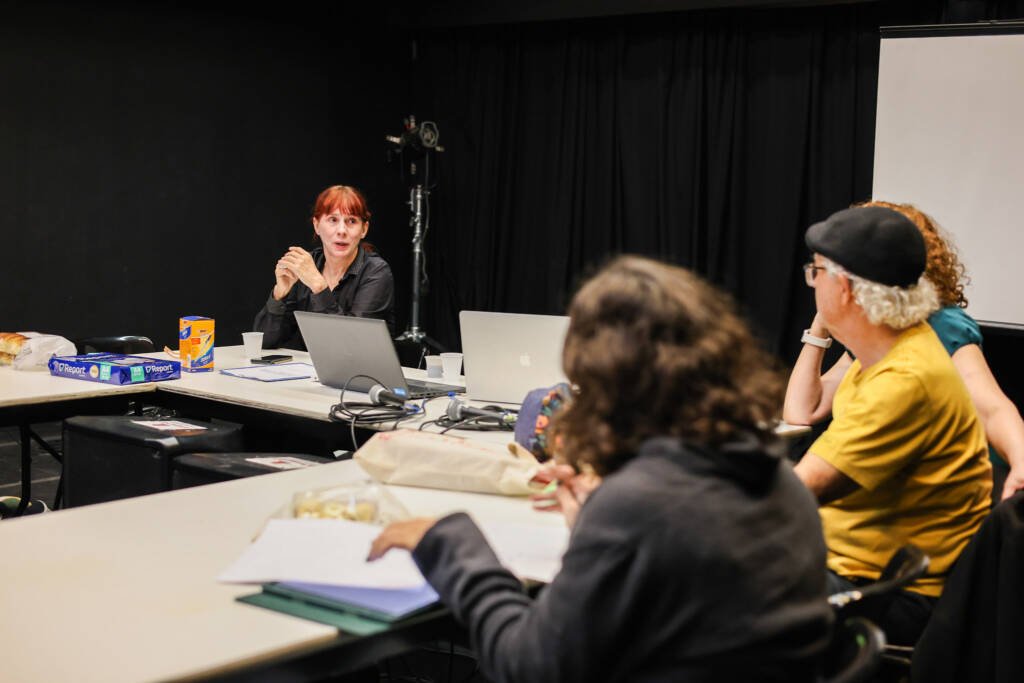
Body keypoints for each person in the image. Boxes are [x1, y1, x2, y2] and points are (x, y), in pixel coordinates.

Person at [369, 256, 832, 682]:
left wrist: (454, 544)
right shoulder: (776, 479)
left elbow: (528, 666)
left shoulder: (636, 506)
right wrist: (597, 516)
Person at [790, 205, 992, 646]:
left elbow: (796, 491)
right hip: (853, 566)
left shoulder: (904, 380)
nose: (812, 282)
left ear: (844, 288)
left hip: (880, 593)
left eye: (816, 272)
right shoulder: (889, 351)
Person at [784, 201, 1024, 502]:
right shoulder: (877, 336)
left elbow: (991, 409)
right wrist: (823, 323)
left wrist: (1020, 461)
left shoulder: (932, 334)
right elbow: (803, 410)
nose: (813, 282)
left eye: (817, 272)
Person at [253, 185, 394, 350]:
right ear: (316, 225)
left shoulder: (376, 272)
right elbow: (264, 342)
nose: (342, 230)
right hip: (310, 366)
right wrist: (279, 295)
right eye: (333, 220)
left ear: (364, 229)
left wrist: (318, 286)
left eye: (352, 221)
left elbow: (352, 347)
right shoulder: (306, 265)